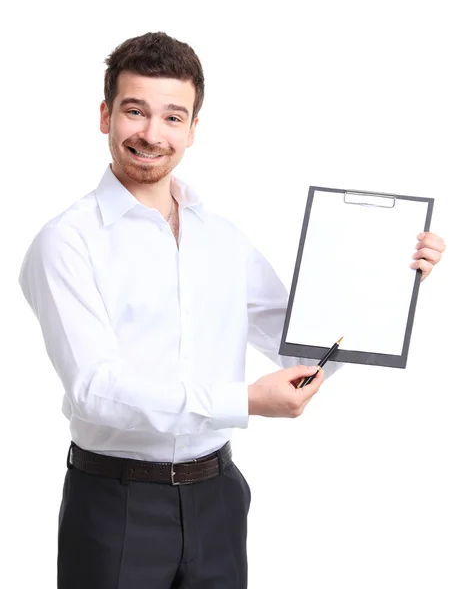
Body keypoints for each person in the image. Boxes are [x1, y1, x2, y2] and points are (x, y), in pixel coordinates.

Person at [18, 32, 446, 589]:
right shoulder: (66, 242)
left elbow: (302, 349)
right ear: (106, 116)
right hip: (114, 508)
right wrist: (244, 401)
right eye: (134, 111)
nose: (152, 134)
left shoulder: (222, 239)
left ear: (194, 128)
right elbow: (96, 391)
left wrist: (392, 282)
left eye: (173, 116)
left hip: (217, 499)